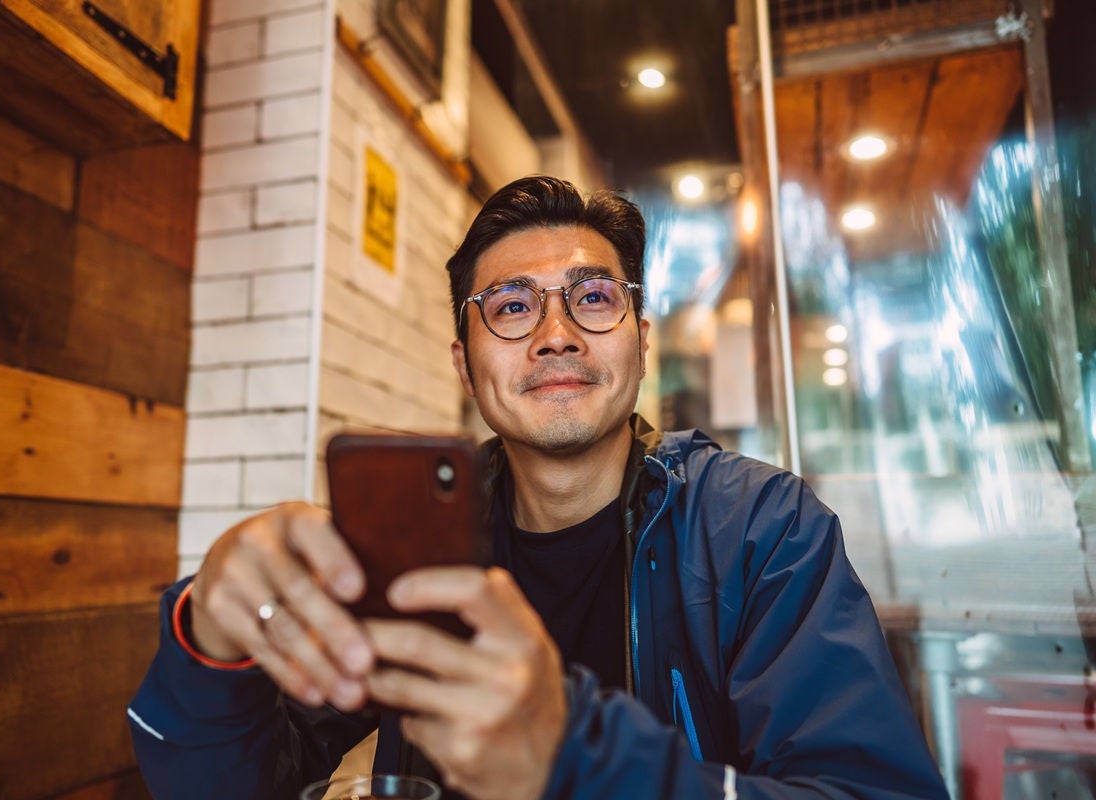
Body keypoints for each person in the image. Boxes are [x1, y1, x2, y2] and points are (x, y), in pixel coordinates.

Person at [129, 176, 949, 800]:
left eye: (594, 298)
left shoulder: (760, 531)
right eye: (512, 307)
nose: (557, 335)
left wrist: (573, 758)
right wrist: (210, 644)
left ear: (640, 340)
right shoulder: (415, 542)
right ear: (464, 363)